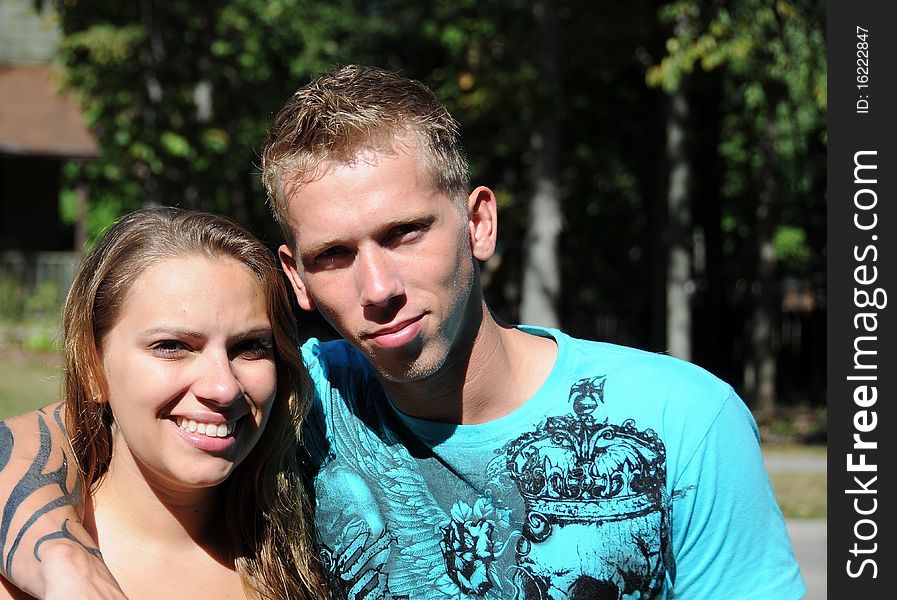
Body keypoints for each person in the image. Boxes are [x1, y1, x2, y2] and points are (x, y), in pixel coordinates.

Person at [0, 65, 804, 599]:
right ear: (295, 278)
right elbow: (78, 427)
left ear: (478, 222)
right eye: (335, 254)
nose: (378, 288)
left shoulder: (682, 420)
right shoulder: (285, 396)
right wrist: (62, 560)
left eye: (405, 233)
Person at [0, 208, 325, 599]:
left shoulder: (316, 549)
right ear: (92, 366)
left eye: (250, 346)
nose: (224, 388)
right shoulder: (30, 576)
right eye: (172, 347)